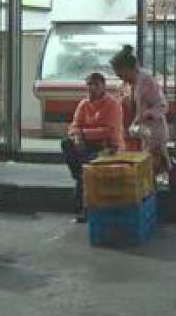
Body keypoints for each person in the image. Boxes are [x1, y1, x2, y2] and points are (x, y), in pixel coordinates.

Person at [63, 72, 125, 223]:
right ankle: (79, 175)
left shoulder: (112, 104)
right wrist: (77, 136)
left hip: (108, 145)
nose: (92, 88)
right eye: (90, 84)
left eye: (96, 84)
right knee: (66, 143)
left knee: (87, 165)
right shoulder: (83, 104)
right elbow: (74, 126)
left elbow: (109, 130)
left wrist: (83, 134)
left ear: (103, 86)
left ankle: (82, 192)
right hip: (86, 144)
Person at [110, 46, 170, 174]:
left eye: (121, 74)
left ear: (129, 69)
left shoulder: (147, 81)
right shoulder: (130, 84)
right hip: (139, 135)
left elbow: (162, 105)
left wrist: (146, 115)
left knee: (152, 172)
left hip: (153, 134)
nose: (121, 78)